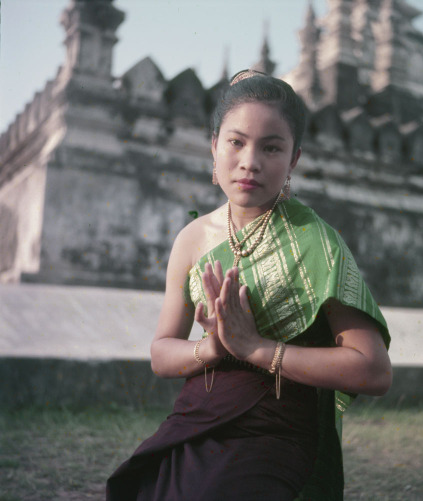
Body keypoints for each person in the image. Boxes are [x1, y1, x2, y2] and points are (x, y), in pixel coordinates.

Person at [107, 69, 392, 501]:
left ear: (294, 159)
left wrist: (256, 348)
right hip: (199, 419)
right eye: (236, 142)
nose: (250, 161)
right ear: (214, 148)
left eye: (272, 147)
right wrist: (215, 348)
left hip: (277, 432)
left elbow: (373, 370)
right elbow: (162, 354)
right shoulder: (193, 239)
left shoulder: (318, 242)